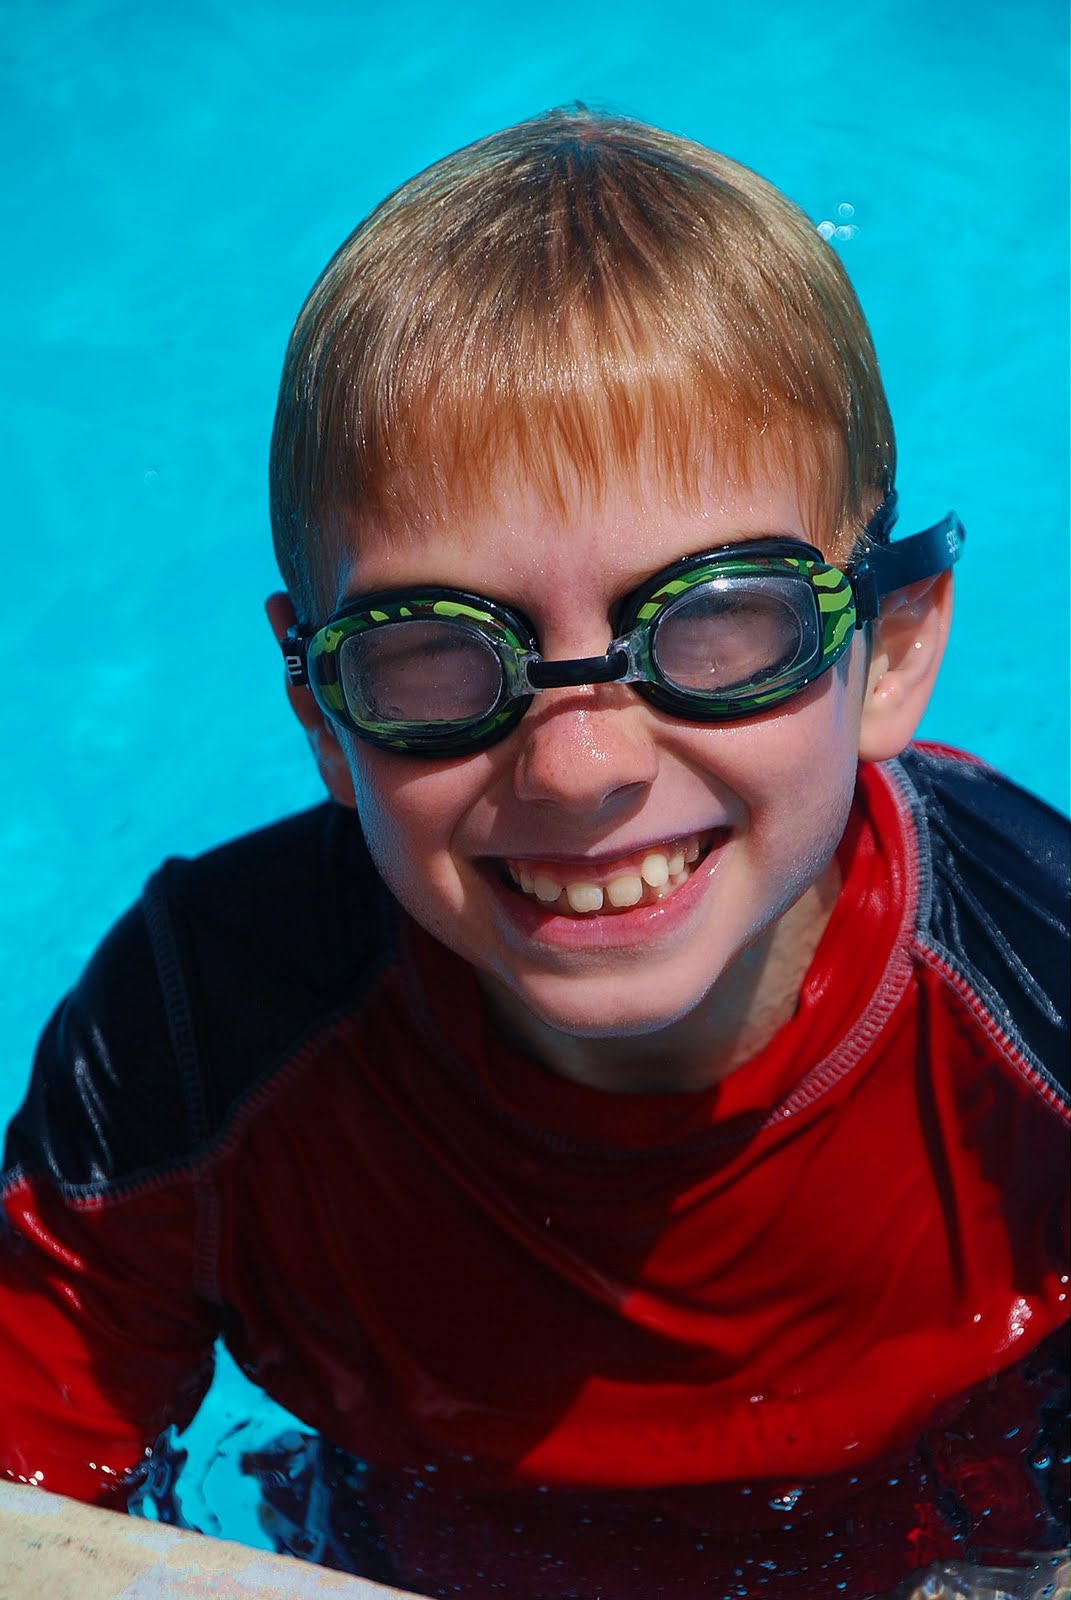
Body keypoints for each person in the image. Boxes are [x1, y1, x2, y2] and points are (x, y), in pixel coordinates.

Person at [1, 107, 1067, 1600]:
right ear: (320, 711)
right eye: (437, 654)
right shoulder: (198, 1042)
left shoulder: (1041, 999)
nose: (581, 766)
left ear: (886, 650)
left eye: (715, 623)